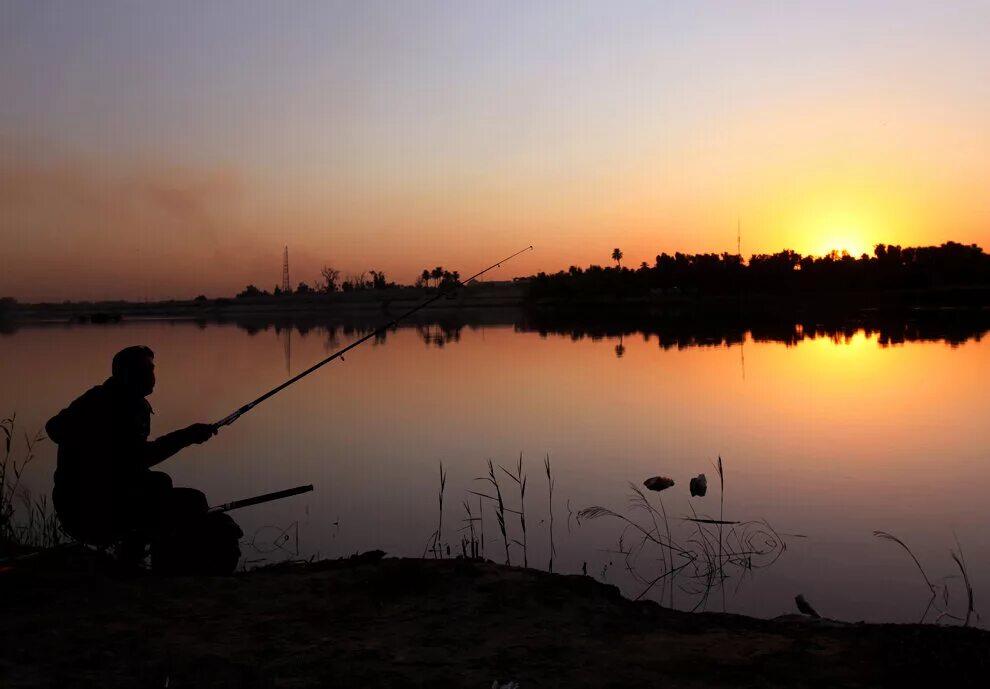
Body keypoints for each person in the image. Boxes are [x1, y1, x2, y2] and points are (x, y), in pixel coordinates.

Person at [46, 345, 241, 574]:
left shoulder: (125, 401)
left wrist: (187, 435)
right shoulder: (104, 402)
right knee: (187, 499)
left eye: (152, 370)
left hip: (104, 497)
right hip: (87, 507)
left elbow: (133, 459)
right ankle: (157, 567)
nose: (150, 377)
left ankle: (133, 560)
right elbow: (136, 458)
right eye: (143, 370)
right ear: (124, 374)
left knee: (160, 484)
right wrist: (187, 436)